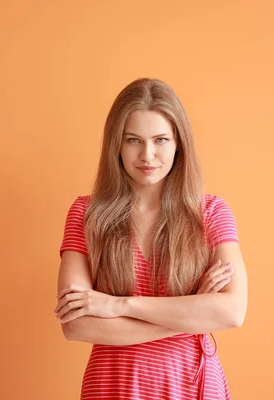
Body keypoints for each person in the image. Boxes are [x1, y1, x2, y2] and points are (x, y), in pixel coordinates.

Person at [54, 78, 248, 400]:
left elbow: (231, 312)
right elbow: (76, 325)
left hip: (191, 386)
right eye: (134, 140)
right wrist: (191, 313)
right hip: (112, 387)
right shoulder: (85, 214)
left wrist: (118, 305)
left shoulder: (211, 213)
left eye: (160, 140)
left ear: (178, 144)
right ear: (116, 144)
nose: (148, 155)